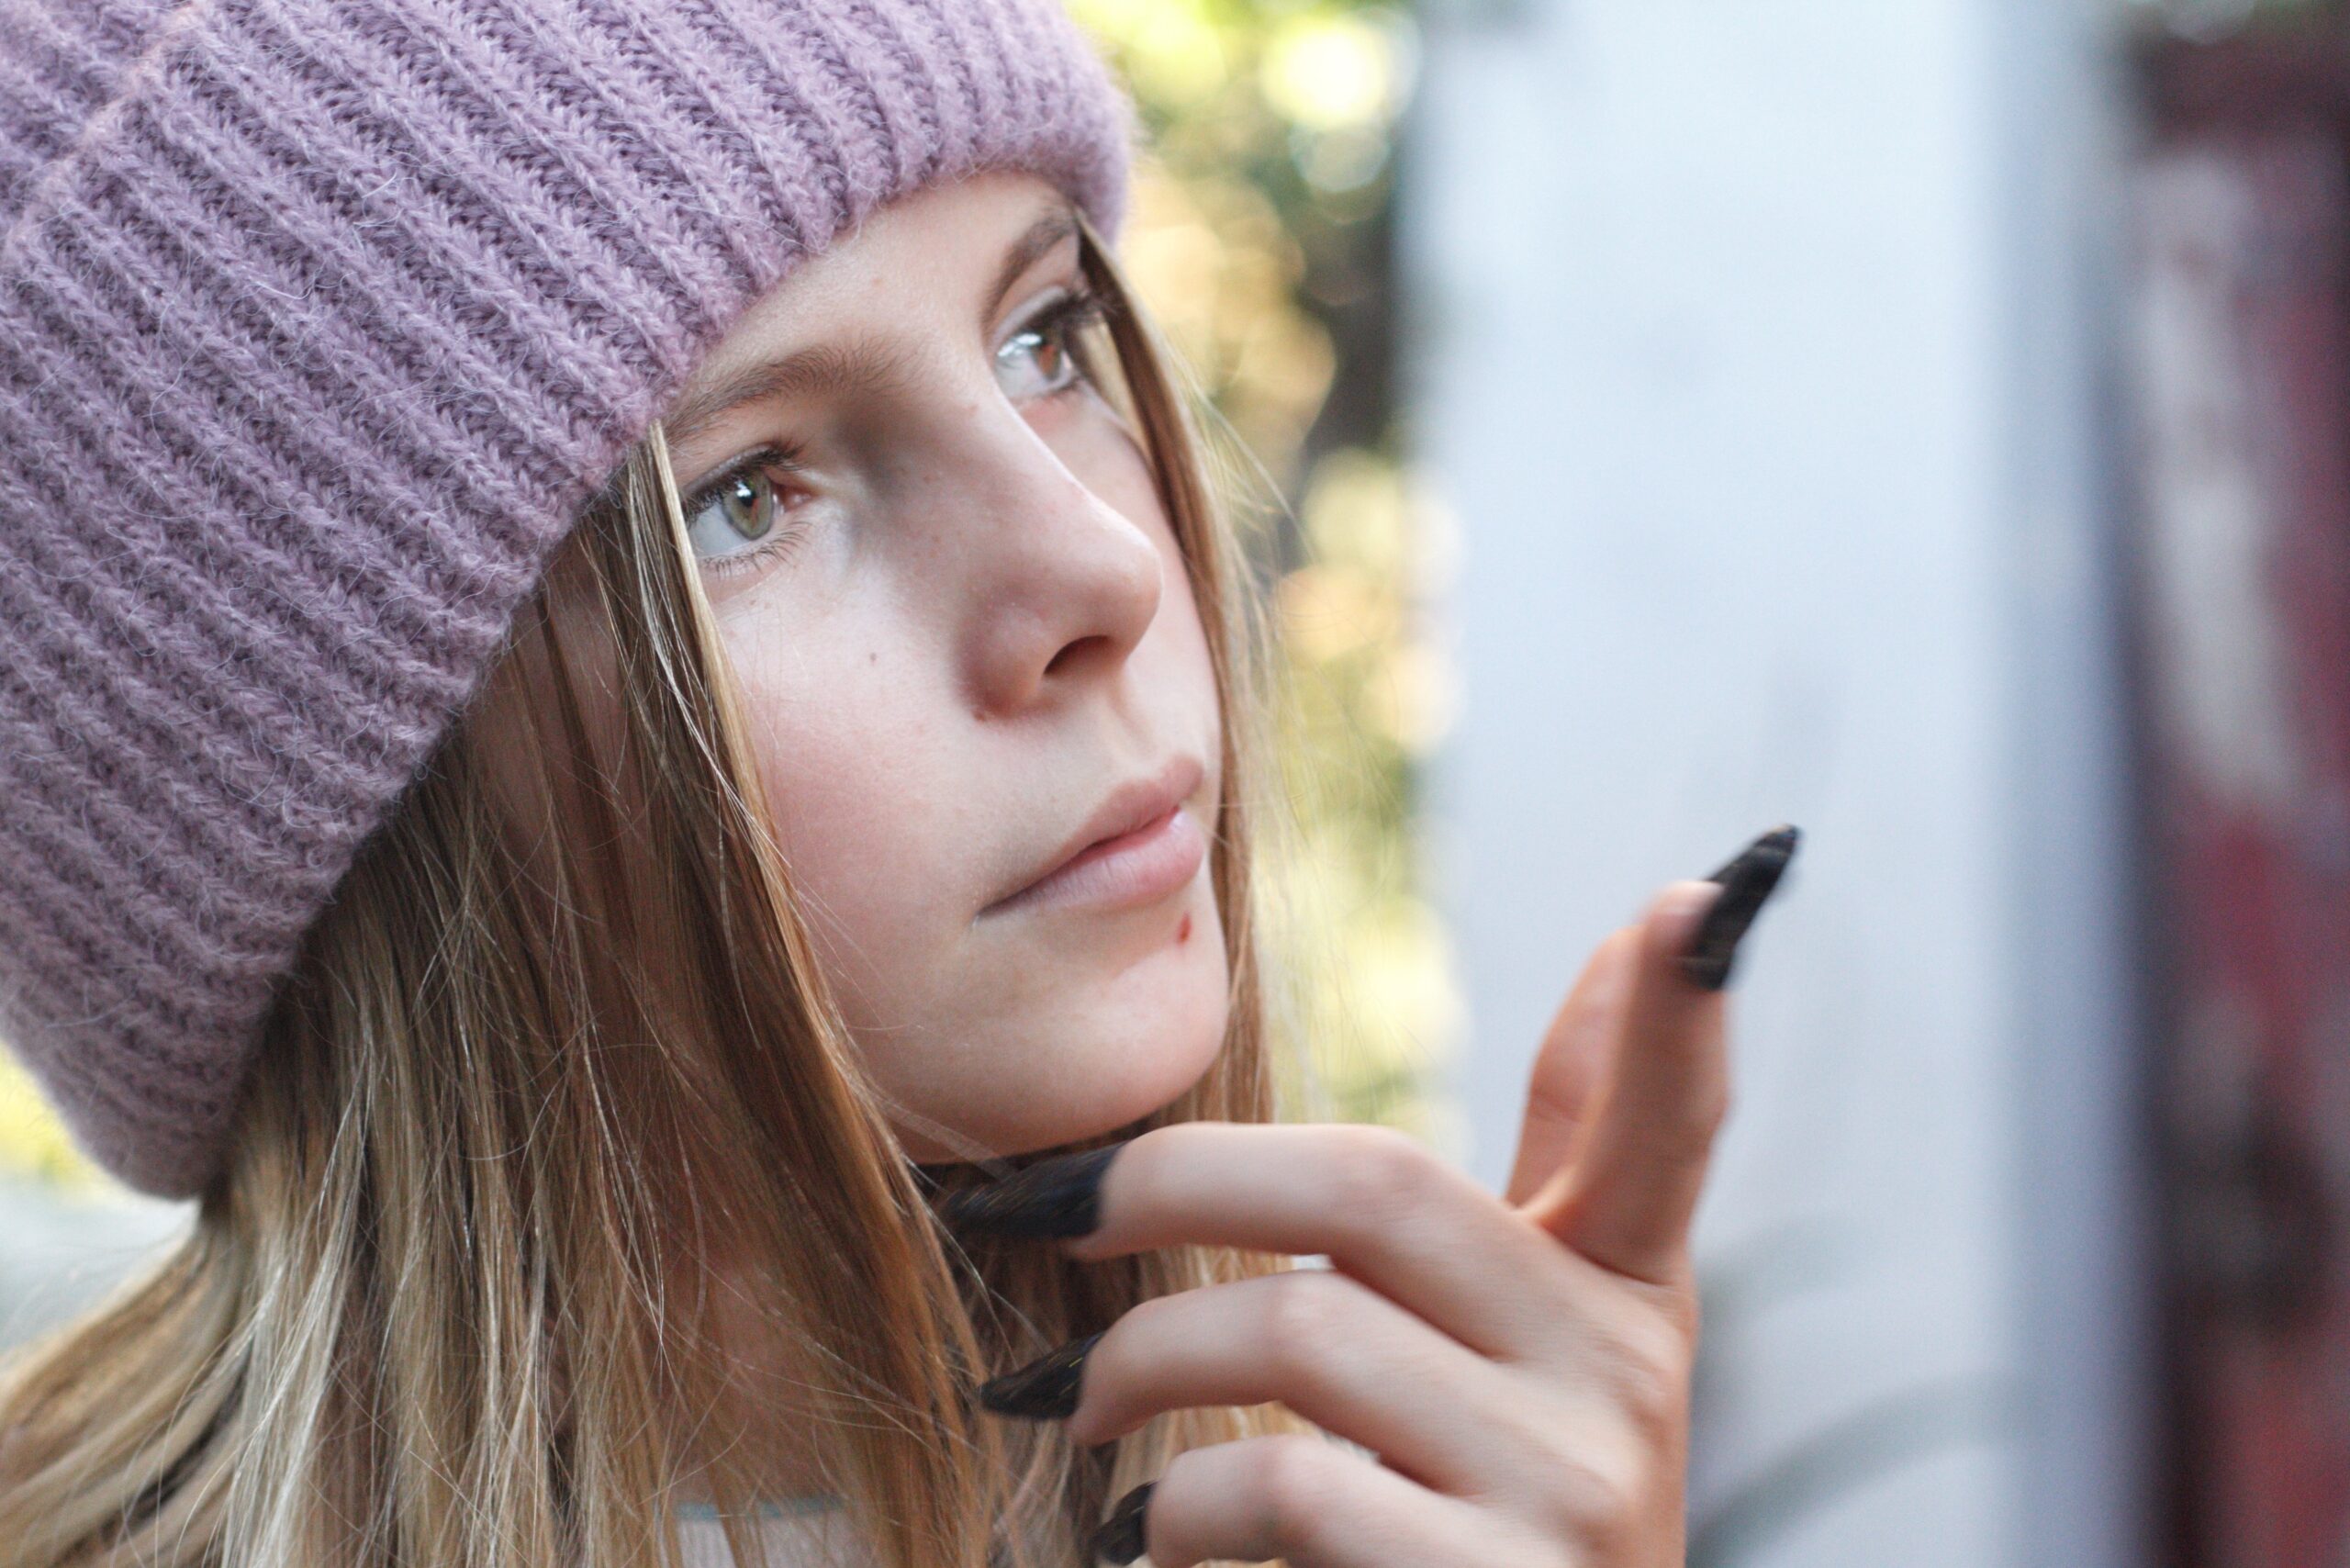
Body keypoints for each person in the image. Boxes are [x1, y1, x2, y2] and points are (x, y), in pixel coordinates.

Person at [0, 2, 1740, 1564]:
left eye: (1045, 337)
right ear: (339, 839)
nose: (1101, 569)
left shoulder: (1382, 1508)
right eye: (744, 495)